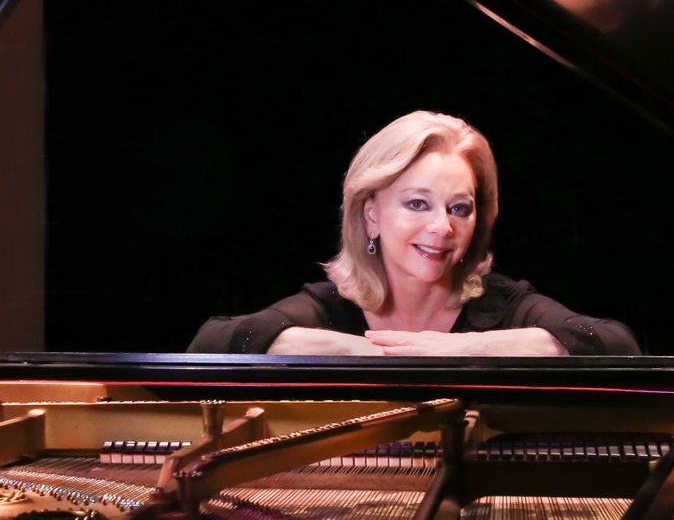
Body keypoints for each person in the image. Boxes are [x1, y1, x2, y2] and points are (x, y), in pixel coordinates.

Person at [186, 111, 641, 356]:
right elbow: (211, 343)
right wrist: (347, 348)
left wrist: (463, 349)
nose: (442, 227)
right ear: (371, 215)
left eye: (459, 208)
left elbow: (617, 345)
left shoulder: (503, 306)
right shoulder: (331, 309)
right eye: (417, 204)